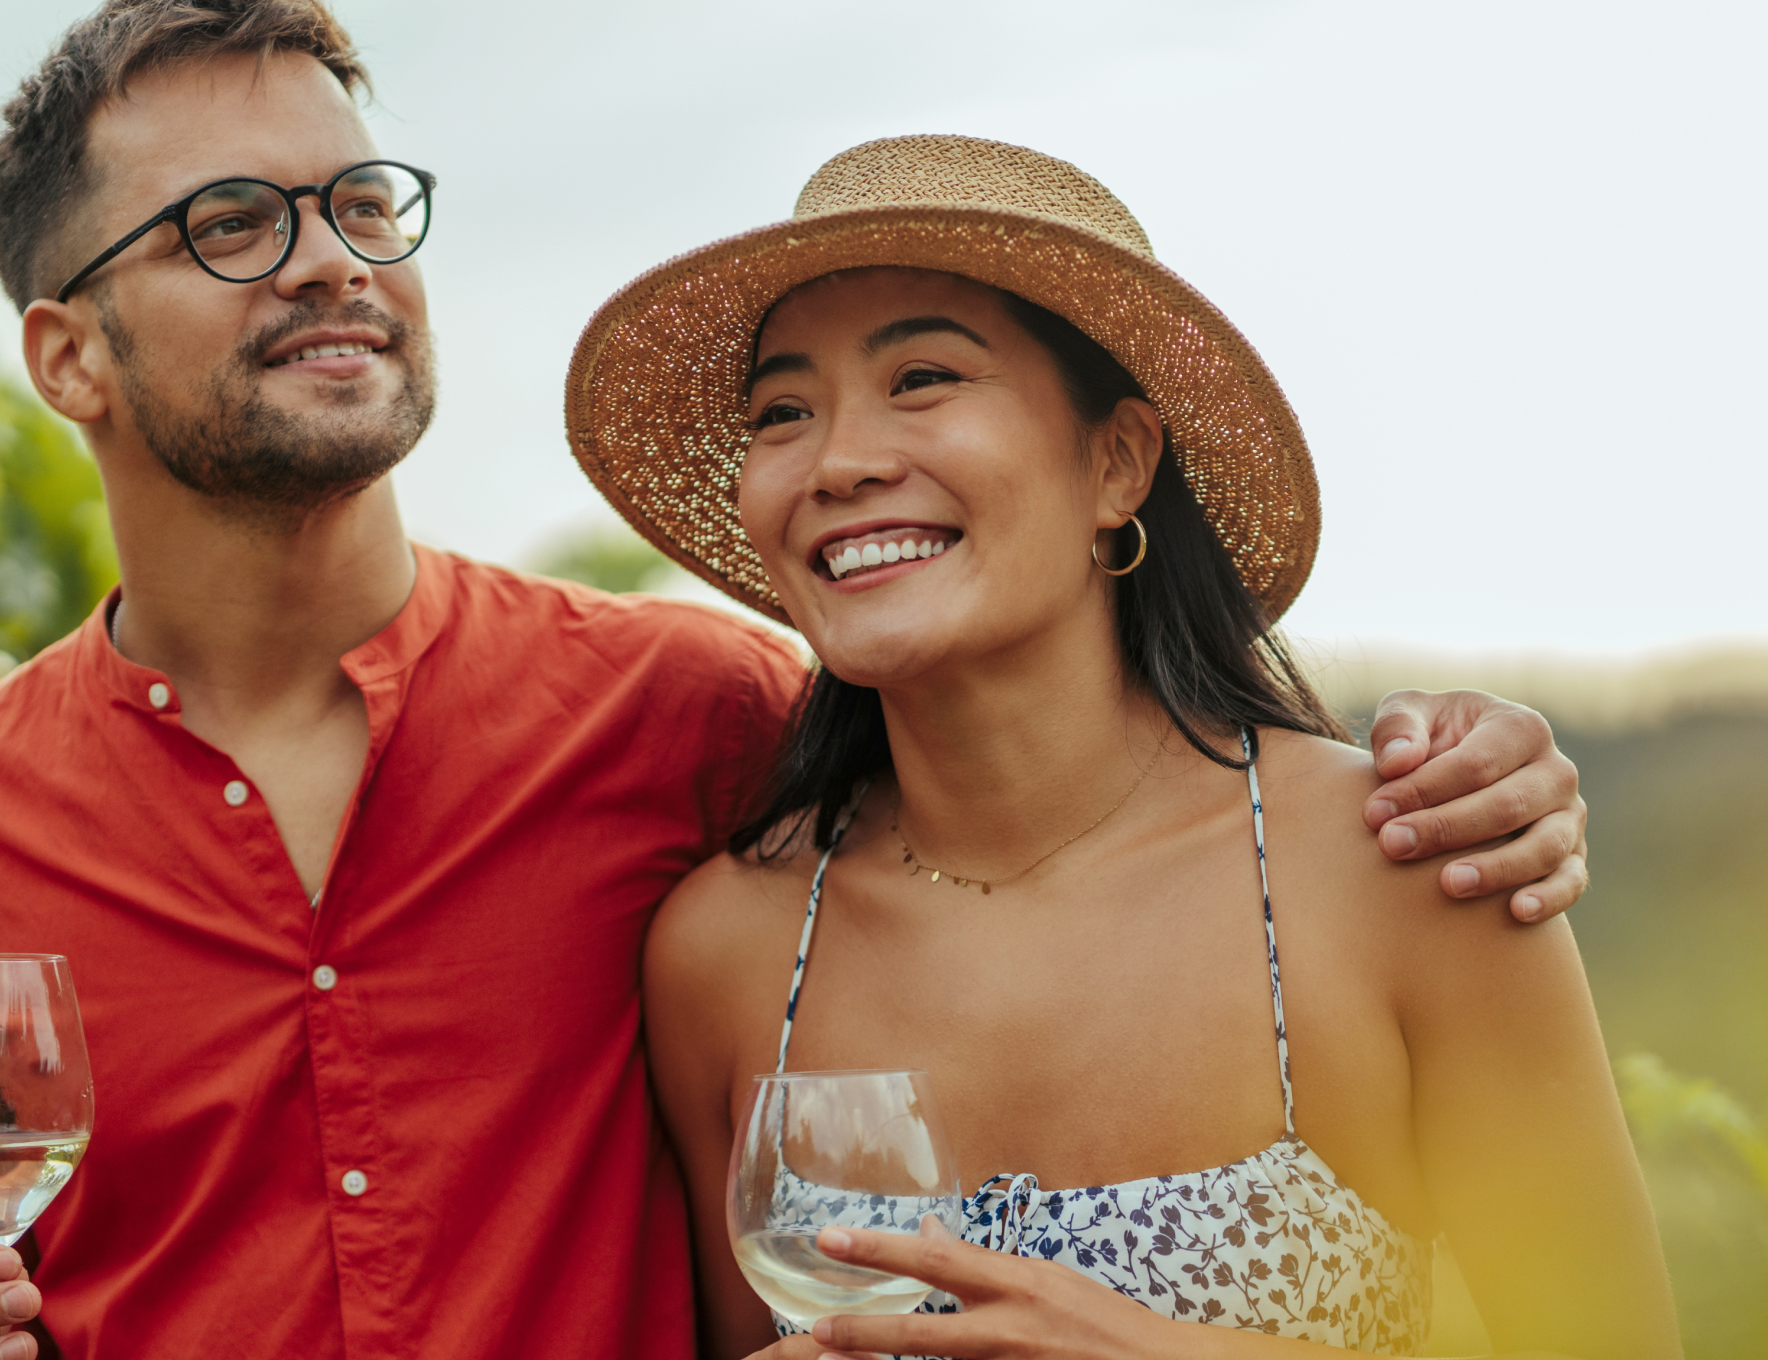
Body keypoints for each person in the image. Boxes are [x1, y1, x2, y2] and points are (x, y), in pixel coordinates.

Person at [0, 6, 1591, 1360]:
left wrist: (1481, 760)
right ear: (66, 353)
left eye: (359, 201)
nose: (335, 259)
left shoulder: (685, 721)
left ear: (1121, 459)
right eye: (229, 224)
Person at [603, 137, 1679, 1357]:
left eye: (922, 379)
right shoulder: (729, 954)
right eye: (783, 411)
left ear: (1116, 461)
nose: (840, 460)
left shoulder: (1404, 862)